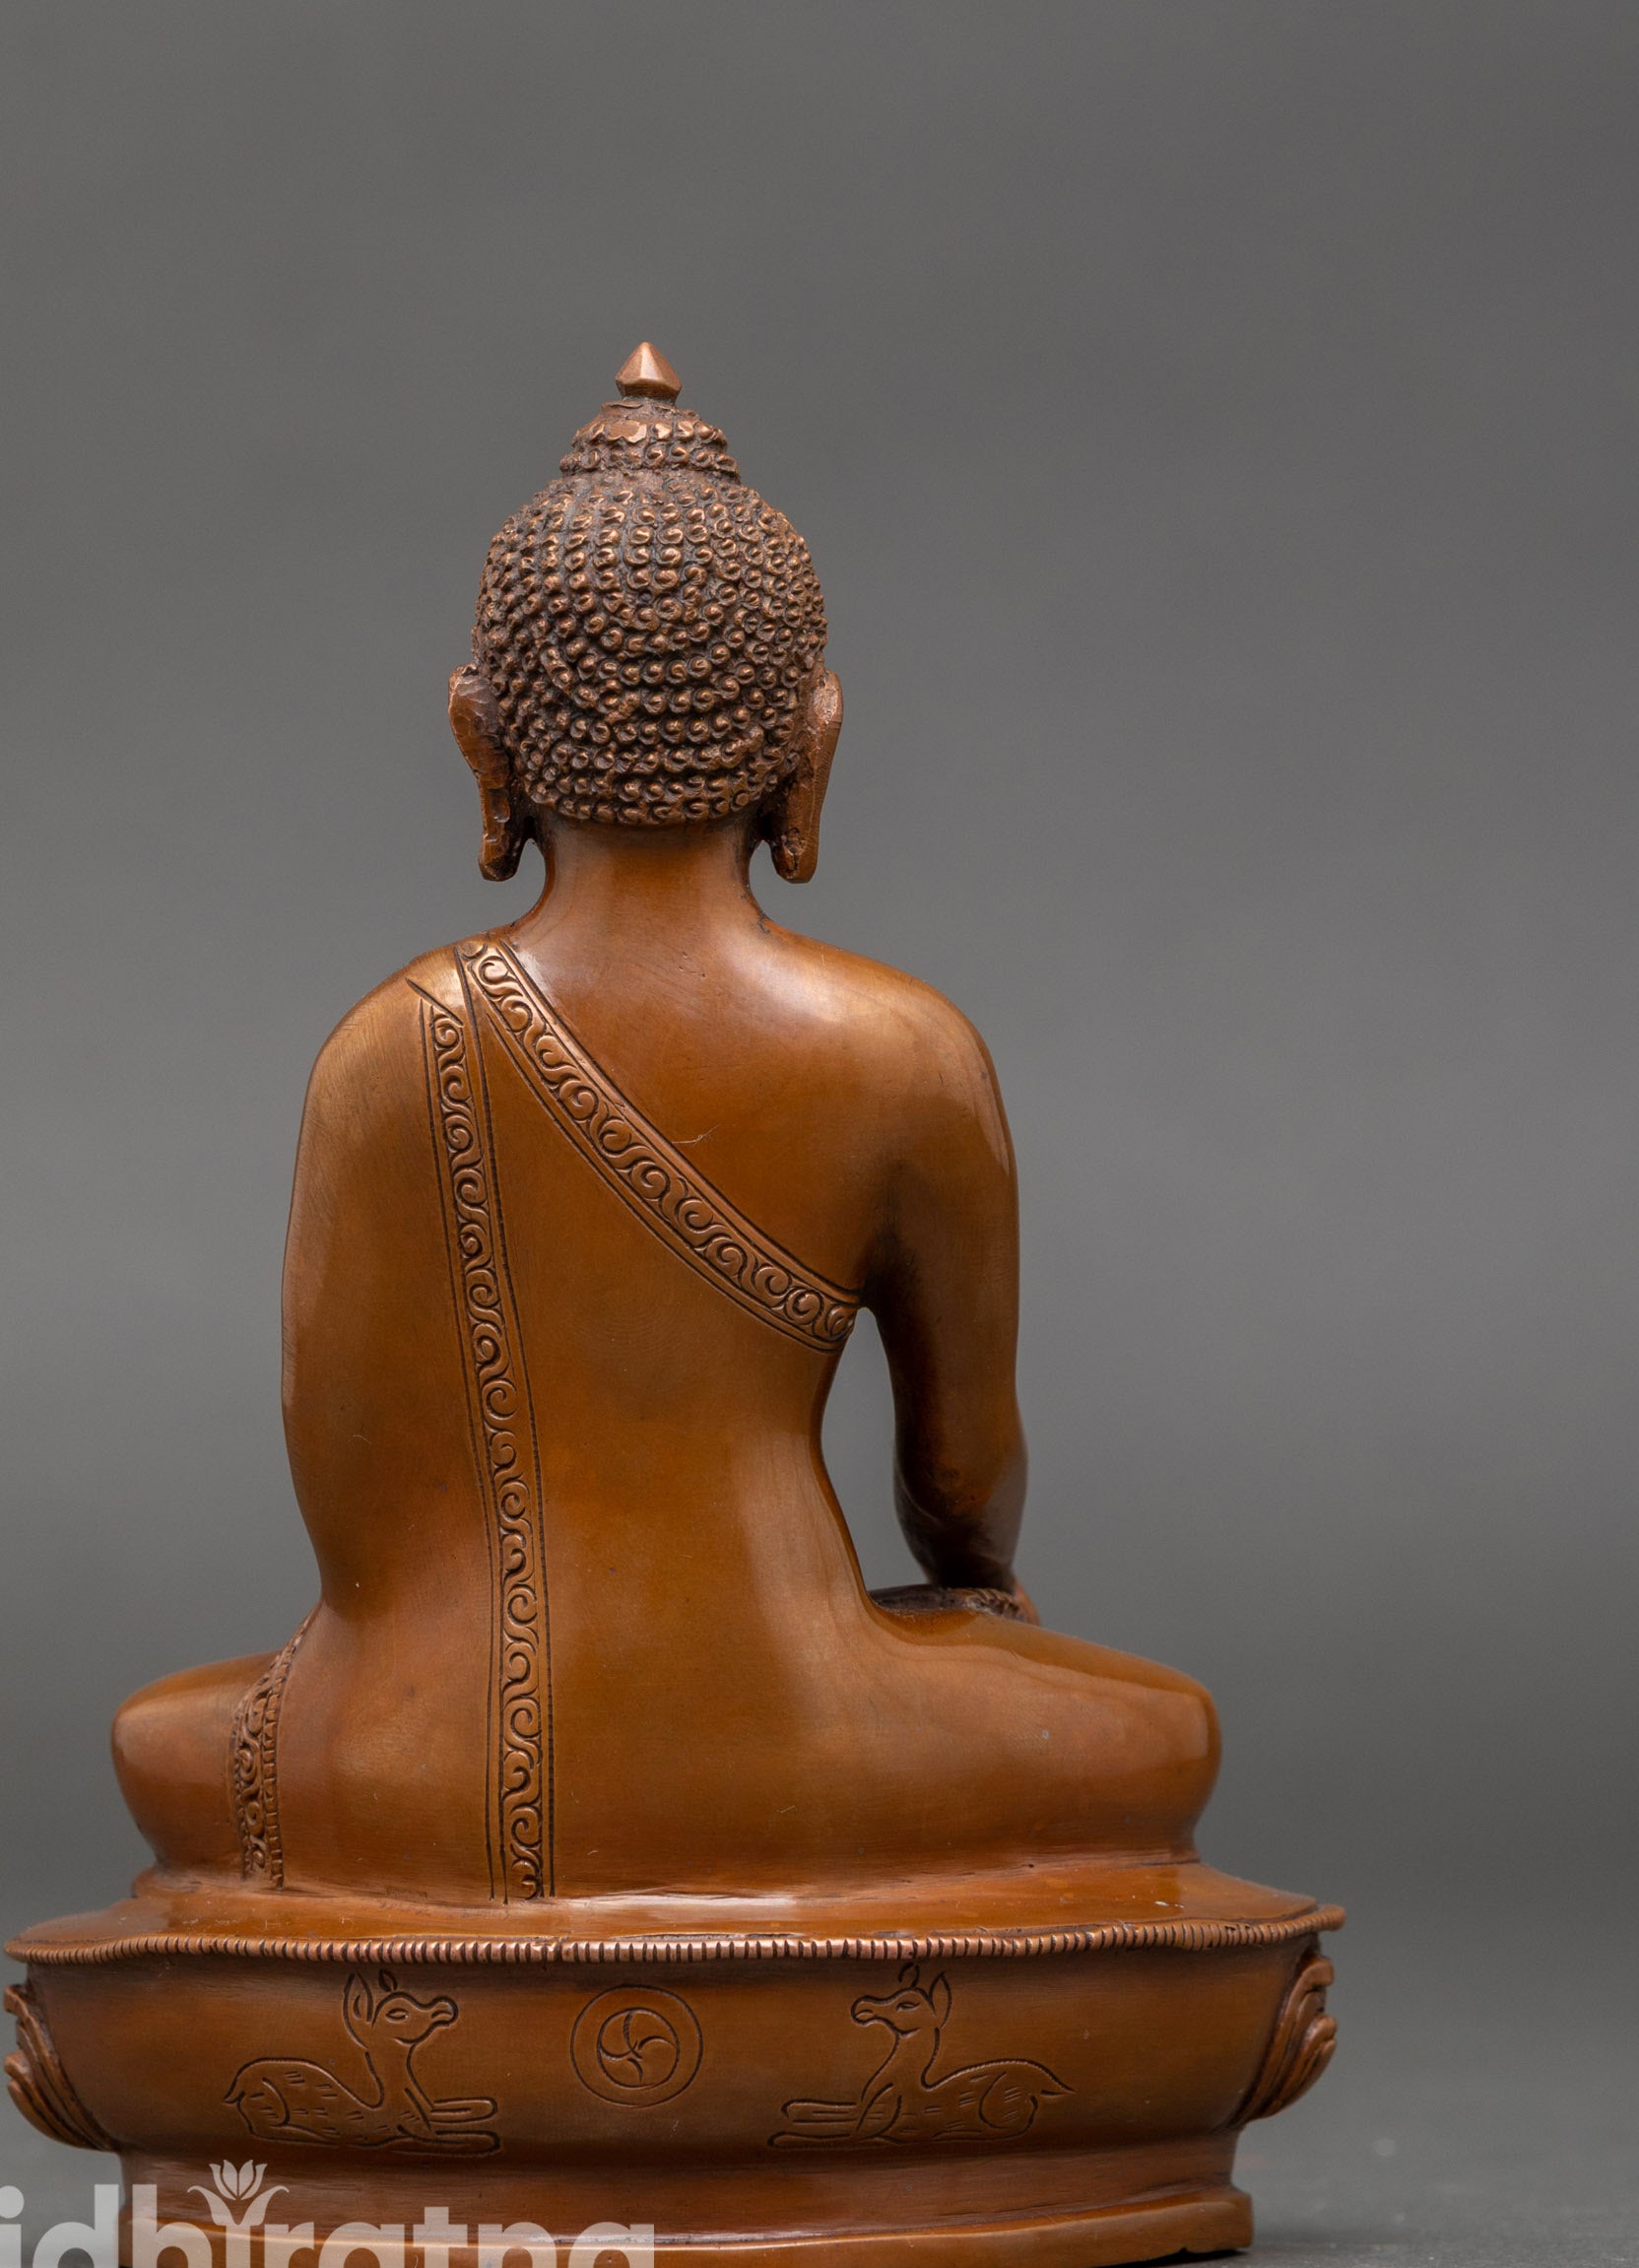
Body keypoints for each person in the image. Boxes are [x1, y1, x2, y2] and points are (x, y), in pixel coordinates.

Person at [113, 348, 1215, 1911]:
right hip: (804, 1723)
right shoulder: (903, 1054)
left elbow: (346, 1521)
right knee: (1161, 1734)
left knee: (165, 1740)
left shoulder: (380, 1053)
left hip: (422, 1751)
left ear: (478, 743)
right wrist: (969, 1609)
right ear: (813, 739)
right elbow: (963, 1485)